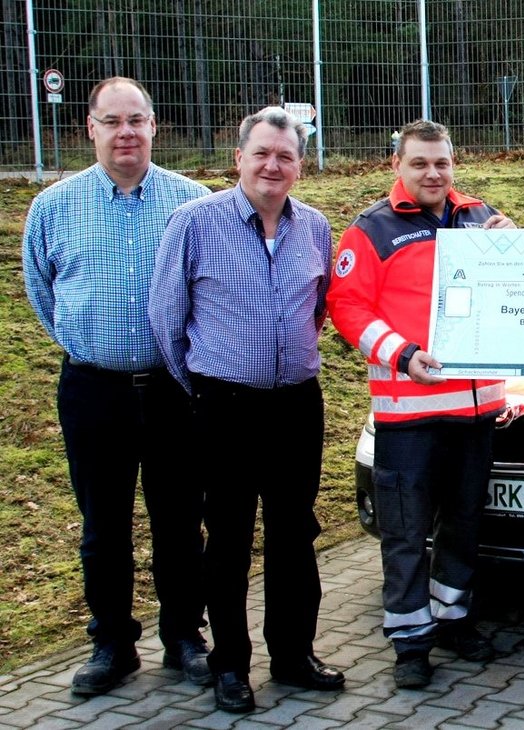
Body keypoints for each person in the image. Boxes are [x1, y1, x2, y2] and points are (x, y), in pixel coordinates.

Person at [149, 106, 344, 713]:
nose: (272, 165)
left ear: (299, 166)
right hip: (223, 405)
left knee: (294, 532)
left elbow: (316, 311)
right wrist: (204, 385)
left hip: (296, 405)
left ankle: (293, 655)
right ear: (239, 158)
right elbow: (166, 317)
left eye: (285, 156)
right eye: (261, 153)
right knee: (228, 537)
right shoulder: (195, 221)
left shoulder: (314, 226)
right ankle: (229, 665)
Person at [21, 77, 211, 696]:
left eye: (137, 120)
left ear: (155, 126)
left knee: (180, 520)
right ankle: (112, 643)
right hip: (93, 391)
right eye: (113, 121)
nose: (125, 132)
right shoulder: (53, 205)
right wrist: (91, 346)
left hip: (173, 389)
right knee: (103, 525)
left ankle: (184, 635)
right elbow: (42, 292)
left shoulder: (193, 203)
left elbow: (207, 292)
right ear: (91, 128)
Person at [326, 119, 514, 689]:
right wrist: (401, 353)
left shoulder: (481, 218)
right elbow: (347, 308)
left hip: (475, 412)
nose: (433, 173)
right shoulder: (371, 230)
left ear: (454, 164)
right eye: (420, 164)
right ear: (397, 167)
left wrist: (519, 246)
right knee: (406, 533)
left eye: (442, 163)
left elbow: (515, 294)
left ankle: (453, 618)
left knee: (462, 524)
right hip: (408, 412)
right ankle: (410, 642)